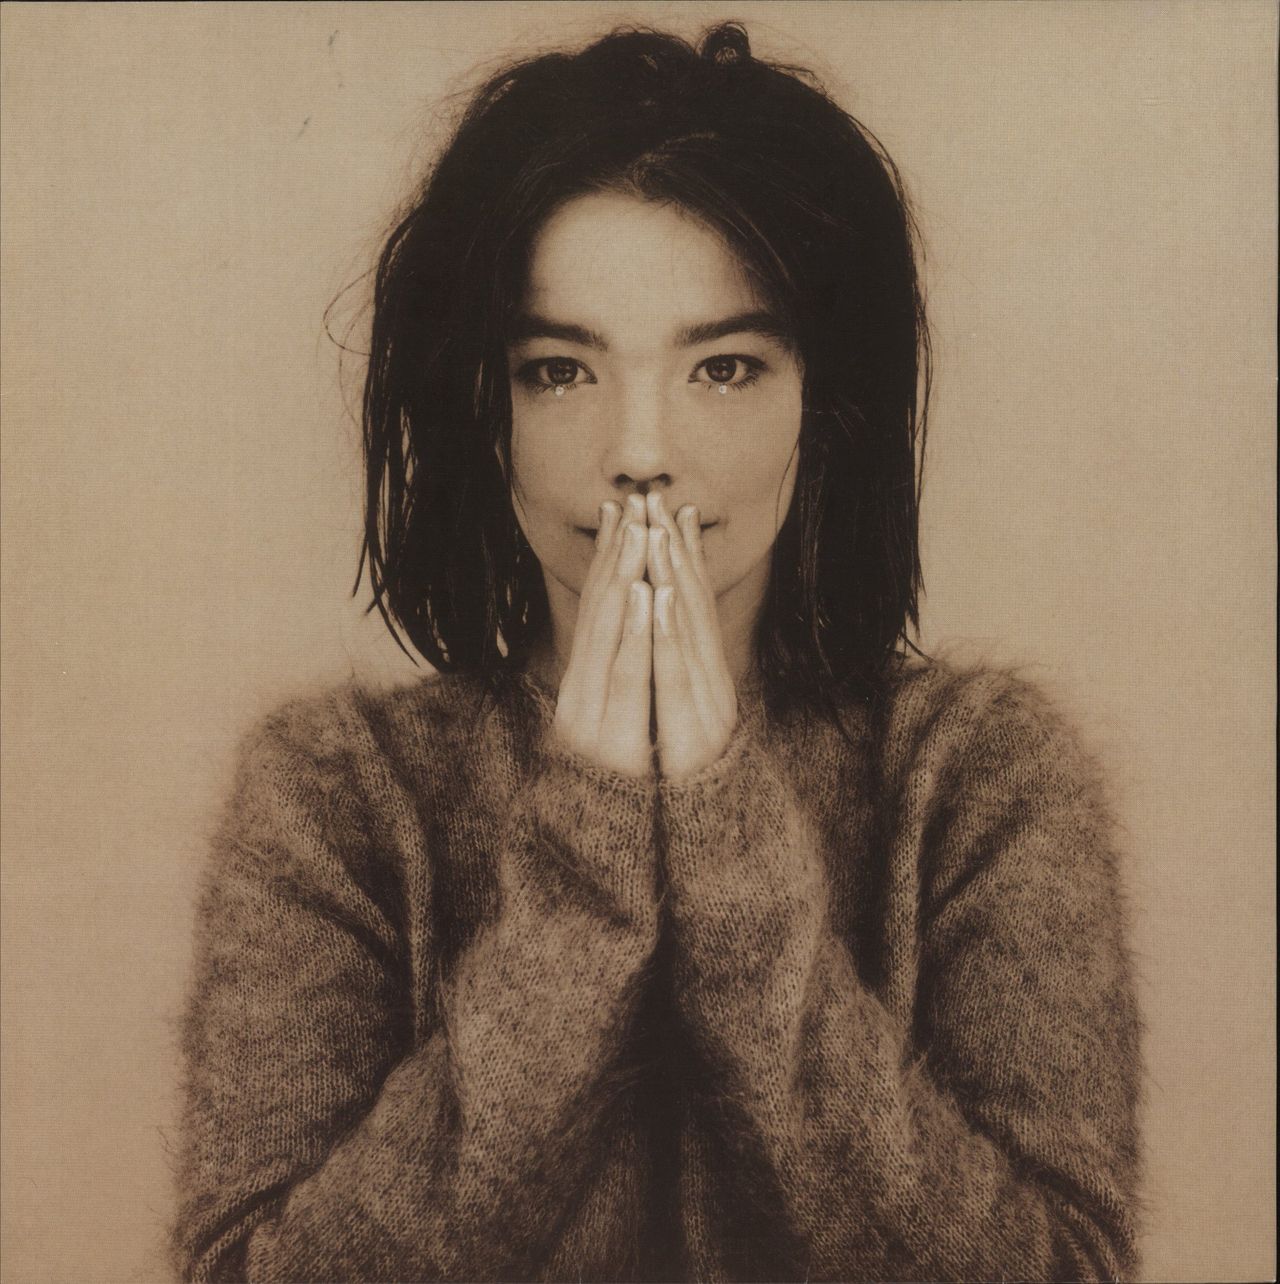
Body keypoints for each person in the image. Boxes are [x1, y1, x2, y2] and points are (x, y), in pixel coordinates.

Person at [170, 21, 1145, 1283]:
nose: (638, 451)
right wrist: (584, 862)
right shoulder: (333, 795)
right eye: (558, 371)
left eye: (723, 368)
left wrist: (729, 845)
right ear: (481, 407)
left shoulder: (980, 778)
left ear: (821, 407)